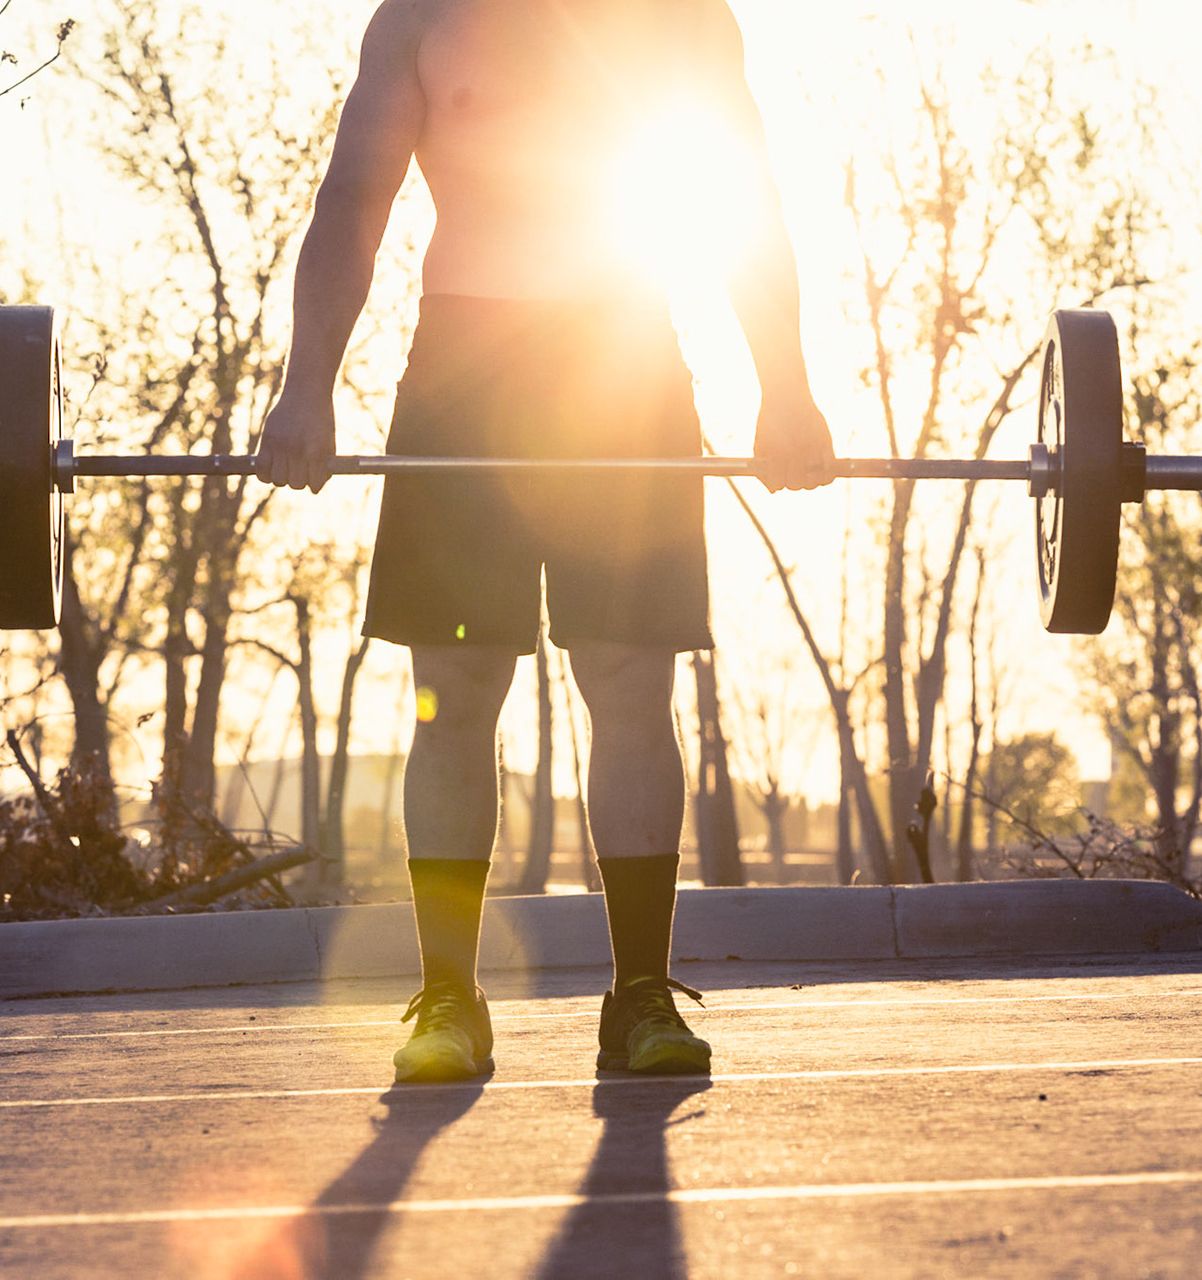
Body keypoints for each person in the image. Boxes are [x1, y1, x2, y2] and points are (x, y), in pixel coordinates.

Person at [259, 0, 834, 1084]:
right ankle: (448, 995)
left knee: (626, 679)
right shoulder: (422, 19)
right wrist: (306, 385)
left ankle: (639, 995)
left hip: (620, 363)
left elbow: (742, 201)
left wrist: (787, 390)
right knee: (457, 686)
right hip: (464, 371)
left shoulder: (684, 21)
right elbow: (355, 197)